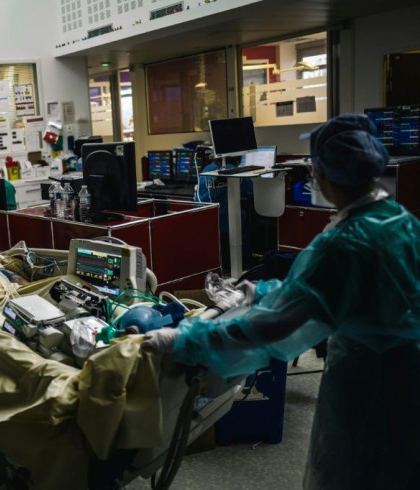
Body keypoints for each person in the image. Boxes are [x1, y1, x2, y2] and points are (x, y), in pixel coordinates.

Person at [144, 114, 420, 489]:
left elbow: (274, 324)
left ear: (325, 174)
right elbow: (328, 289)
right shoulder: (398, 220)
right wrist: (260, 291)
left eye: (313, 166)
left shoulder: (344, 243)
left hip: (371, 384)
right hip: (408, 372)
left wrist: (187, 339)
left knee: (358, 471)